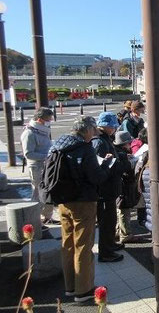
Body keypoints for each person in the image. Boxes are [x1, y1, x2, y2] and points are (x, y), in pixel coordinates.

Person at [50, 116, 111, 302]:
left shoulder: (58, 146)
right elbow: (96, 177)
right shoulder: (84, 149)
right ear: (86, 130)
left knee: (67, 243)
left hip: (63, 200)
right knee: (83, 245)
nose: (94, 133)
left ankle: (70, 286)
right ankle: (83, 290)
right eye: (93, 129)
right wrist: (107, 165)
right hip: (83, 201)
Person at [92, 112, 126, 263]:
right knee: (106, 221)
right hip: (105, 189)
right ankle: (106, 252)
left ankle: (110, 245)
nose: (114, 129)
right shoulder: (99, 142)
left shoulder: (104, 139)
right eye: (112, 126)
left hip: (109, 188)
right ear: (105, 126)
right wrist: (121, 165)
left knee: (110, 220)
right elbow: (101, 167)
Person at [21, 107, 55, 226]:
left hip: (47, 165)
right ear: (40, 120)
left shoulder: (42, 130)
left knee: (49, 191)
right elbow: (28, 154)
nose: (49, 121)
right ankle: (34, 220)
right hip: (37, 167)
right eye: (48, 119)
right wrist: (47, 156)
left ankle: (47, 217)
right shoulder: (29, 132)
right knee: (38, 193)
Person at [114, 130, 139, 244]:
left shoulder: (116, 151)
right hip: (124, 187)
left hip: (119, 187)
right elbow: (124, 169)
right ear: (125, 144)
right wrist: (131, 162)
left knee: (120, 209)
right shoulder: (121, 154)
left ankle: (118, 231)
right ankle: (125, 234)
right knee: (124, 210)